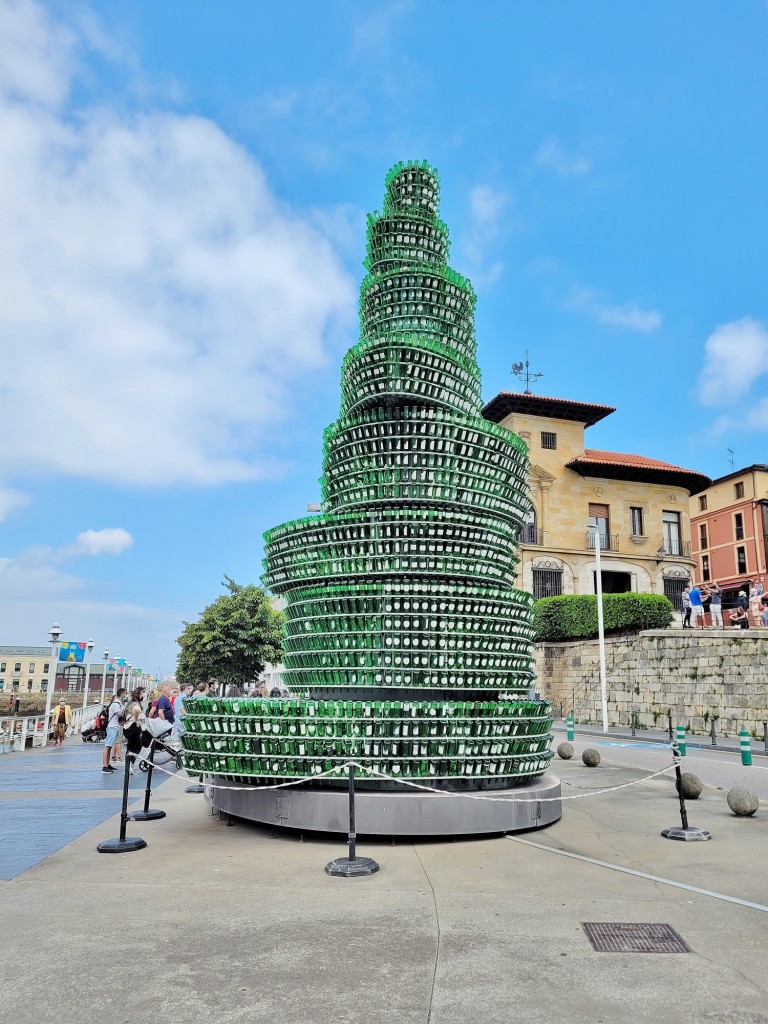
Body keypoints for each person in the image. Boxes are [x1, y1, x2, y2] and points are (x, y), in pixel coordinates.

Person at [102, 688, 126, 773]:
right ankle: (104, 766)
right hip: (112, 727)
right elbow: (119, 714)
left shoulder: (118, 703)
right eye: (125, 694)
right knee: (107, 746)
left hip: (116, 726)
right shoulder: (116, 704)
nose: (125, 695)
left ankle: (108, 764)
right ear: (122, 694)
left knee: (110, 746)